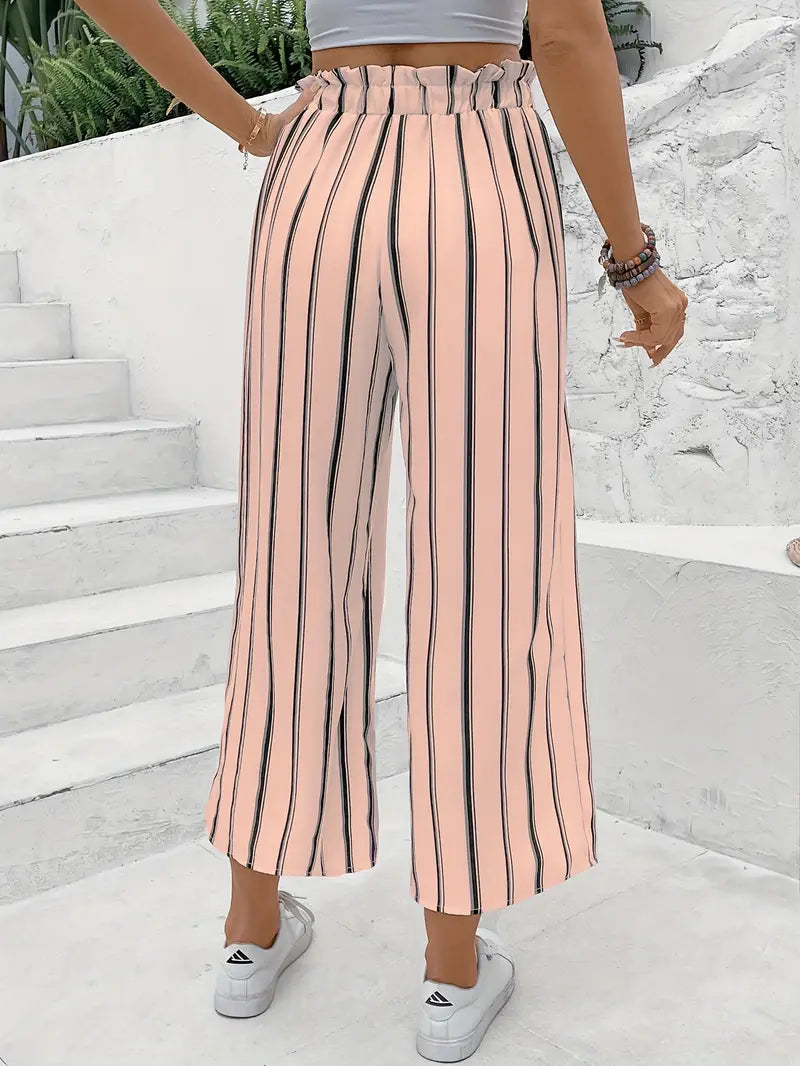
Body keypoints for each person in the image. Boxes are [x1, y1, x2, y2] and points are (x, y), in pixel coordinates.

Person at [75, 0, 689, 1060]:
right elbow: (569, 38)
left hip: (319, 175)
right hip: (479, 172)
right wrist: (634, 260)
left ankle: (250, 930)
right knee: (487, 555)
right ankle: (451, 972)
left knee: (294, 551)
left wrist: (247, 124)